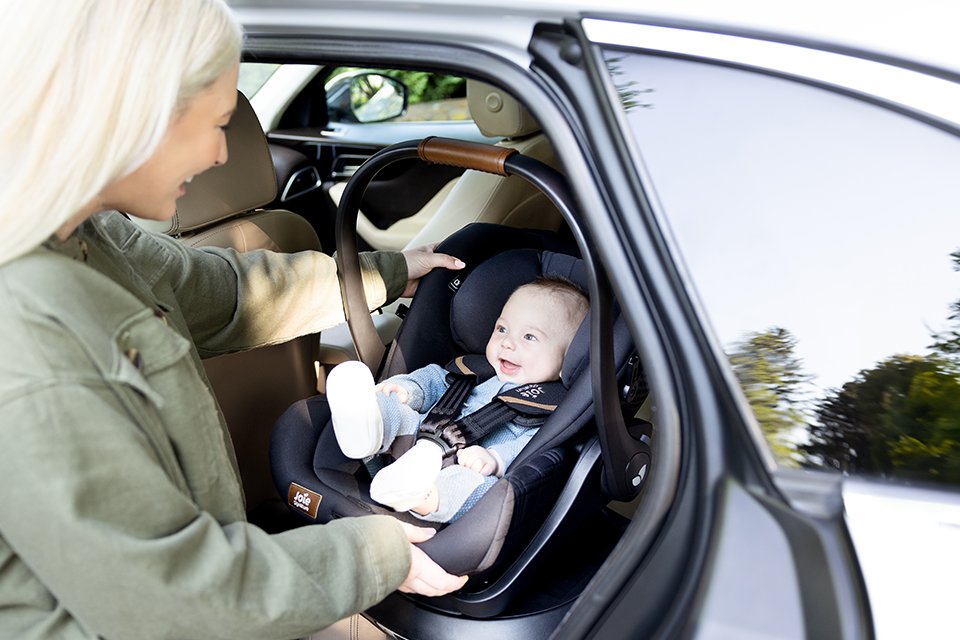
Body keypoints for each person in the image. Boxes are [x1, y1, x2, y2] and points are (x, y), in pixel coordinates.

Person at [0, 1, 467, 638]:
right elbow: (175, 604)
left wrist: (385, 273)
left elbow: (230, 293)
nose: (224, 152)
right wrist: (379, 553)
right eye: (218, 122)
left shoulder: (91, 237)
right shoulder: (30, 347)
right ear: (131, 115)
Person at [326, 276, 589, 523]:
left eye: (529, 337)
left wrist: (495, 460)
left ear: (568, 359)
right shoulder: (475, 371)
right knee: (397, 411)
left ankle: (423, 499)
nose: (507, 343)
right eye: (502, 328)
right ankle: (363, 425)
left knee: (476, 487)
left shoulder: (548, 408)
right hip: (413, 440)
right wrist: (408, 390)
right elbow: (435, 379)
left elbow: (530, 447)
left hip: (460, 468)